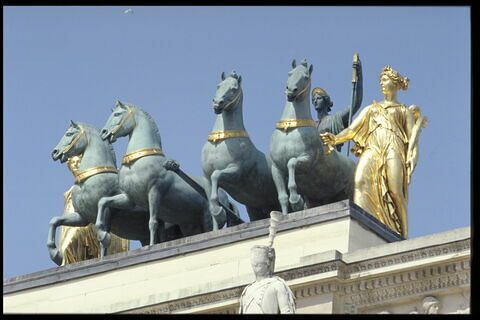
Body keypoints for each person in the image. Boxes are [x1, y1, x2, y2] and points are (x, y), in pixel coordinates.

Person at [321, 66, 426, 239]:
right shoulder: (371, 109)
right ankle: (363, 230)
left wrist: (413, 157)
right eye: (380, 81)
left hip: (394, 148)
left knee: (395, 192)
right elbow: (352, 130)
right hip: (373, 148)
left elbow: (412, 140)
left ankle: (403, 236)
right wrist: (335, 139)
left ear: (395, 83)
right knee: (359, 181)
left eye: (385, 80)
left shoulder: (403, 111)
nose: (381, 84)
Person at [58, 155, 129, 265]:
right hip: (78, 226)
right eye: (73, 162)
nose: (76, 164)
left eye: (79, 161)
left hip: (96, 224)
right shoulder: (69, 193)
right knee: (67, 247)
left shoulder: (97, 183)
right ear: (69, 166)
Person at [239, 212, 295, 314]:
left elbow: (286, 311)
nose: (255, 268)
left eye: (259, 264)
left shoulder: (277, 285)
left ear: (267, 264)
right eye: (254, 265)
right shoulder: (247, 291)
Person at [312, 54, 363, 152]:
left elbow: (355, 104)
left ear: (326, 101)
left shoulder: (335, 119)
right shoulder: (312, 125)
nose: (315, 101)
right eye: (313, 99)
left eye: (318, 98)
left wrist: (359, 76)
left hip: (332, 156)